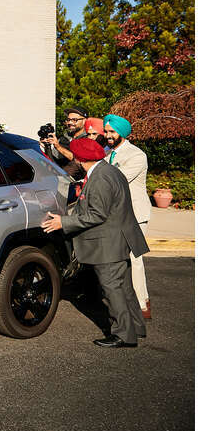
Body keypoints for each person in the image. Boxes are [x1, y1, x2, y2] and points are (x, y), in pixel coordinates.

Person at [41, 138, 148, 348]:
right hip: (118, 239)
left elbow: (96, 215)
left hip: (108, 242)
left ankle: (124, 335)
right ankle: (136, 327)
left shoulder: (100, 178)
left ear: (81, 159)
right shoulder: (109, 170)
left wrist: (63, 222)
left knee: (112, 289)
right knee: (124, 287)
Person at [103, 114, 152, 320]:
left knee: (134, 259)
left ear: (122, 132)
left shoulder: (136, 155)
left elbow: (116, 179)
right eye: (106, 132)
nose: (108, 136)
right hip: (115, 214)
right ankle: (122, 302)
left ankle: (142, 306)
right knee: (117, 259)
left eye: (112, 132)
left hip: (135, 214)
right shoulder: (107, 153)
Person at [43, 106, 89, 177]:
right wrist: (47, 146)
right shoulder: (63, 139)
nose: (70, 122)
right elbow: (52, 163)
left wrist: (58, 146)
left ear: (84, 120)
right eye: (68, 119)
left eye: (74, 120)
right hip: (59, 180)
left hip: (77, 183)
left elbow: (79, 160)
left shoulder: (88, 139)